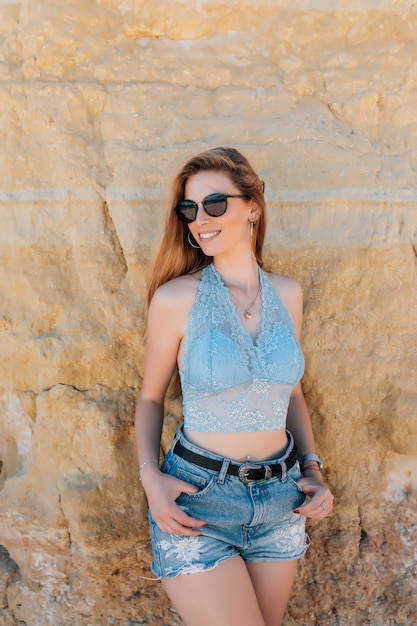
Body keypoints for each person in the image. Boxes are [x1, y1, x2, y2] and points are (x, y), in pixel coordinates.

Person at [134, 147, 334, 626]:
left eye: (215, 204)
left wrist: (313, 467)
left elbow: (290, 392)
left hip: (282, 501)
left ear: (252, 208)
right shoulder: (175, 298)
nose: (200, 219)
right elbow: (150, 397)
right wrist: (151, 481)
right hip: (198, 501)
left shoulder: (288, 293)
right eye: (190, 209)